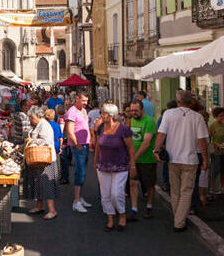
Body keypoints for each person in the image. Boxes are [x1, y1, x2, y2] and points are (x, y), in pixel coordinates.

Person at [153, 90, 209, 232]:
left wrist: (156, 150)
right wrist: (205, 159)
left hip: (173, 158)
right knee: (186, 191)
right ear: (190, 102)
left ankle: (178, 217)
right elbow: (202, 140)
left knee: (175, 191)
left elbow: (161, 134)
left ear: (178, 101)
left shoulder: (168, 114)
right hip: (190, 159)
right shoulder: (197, 117)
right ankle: (179, 221)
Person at [93, 102, 135, 231]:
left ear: (111, 115)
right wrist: (95, 161)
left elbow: (130, 148)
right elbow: (98, 146)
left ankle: (121, 214)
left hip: (120, 166)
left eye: (103, 113)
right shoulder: (100, 128)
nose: (101, 115)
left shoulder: (123, 129)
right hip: (103, 165)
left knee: (116, 194)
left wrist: (132, 165)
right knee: (105, 194)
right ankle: (110, 217)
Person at [22, 106, 59, 220]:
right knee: (38, 183)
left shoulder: (44, 125)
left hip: (45, 159)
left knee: (46, 184)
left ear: (37, 116)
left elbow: (46, 141)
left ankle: (52, 210)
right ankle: (39, 206)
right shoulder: (39, 124)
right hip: (39, 159)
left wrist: (32, 140)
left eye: (31, 117)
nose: (30, 120)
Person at [126, 100, 157, 220]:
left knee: (149, 185)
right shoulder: (131, 120)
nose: (133, 112)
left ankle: (149, 206)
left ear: (142, 110)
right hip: (134, 160)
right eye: (132, 110)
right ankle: (134, 209)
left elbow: (146, 143)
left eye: (136, 110)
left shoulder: (149, 121)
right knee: (133, 183)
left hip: (147, 160)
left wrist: (134, 157)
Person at [64, 89, 93, 212]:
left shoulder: (84, 111)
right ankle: (76, 201)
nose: (85, 103)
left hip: (85, 144)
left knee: (83, 172)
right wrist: (77, 144)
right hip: (78, 145)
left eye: (87, 100)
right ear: (77, 99)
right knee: (79, 172)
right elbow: (70, 131)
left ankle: (80, 198)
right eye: (83, 100)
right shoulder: (72, 112)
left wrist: (89, 141)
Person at [208, 107, 224, 194]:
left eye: (223, 116)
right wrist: (214, 145)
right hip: (216, 151)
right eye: (221, 116)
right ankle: (212, 187)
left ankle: (221, 187)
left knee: (223, 169)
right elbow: (209, 138)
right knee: (215, 169)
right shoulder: (212, 125)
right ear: (216, 116)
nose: (222, 118)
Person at [156, 101, 177, 191]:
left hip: (168, 144)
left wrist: (160, 146)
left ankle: (167, 184)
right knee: (169, 165)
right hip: (172, 144)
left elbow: (159, 132)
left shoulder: (163, 117)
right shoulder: (164, 117)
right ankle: (168, 184)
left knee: (167, 165)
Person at [57, 105, 72, 184]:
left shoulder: (61, 120)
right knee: (64, 160)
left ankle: (64, 177)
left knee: (63, 161)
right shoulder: (65, 118)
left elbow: (61, 131)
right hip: (66, 141)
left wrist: (59, 139)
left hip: (63, 142)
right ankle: (64, 177)